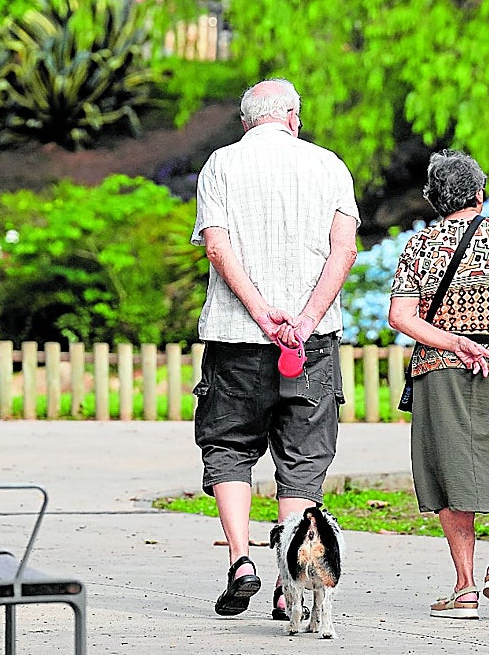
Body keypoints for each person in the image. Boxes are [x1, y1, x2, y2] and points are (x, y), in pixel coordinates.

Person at [190, 78, 360, 620]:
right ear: (293, 117)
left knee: (229, 445)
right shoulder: (330, 166)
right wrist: (305, 319)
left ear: (246, 121)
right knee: (304, 456)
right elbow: (345, 249)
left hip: (237, 338)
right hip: (311, 342)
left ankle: (241, 560)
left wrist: (262, 314)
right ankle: (291, 582)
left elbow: (216, 247)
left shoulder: (220, 164)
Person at [387, 149, 489, 620]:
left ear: (436, 199)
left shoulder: (420, 245)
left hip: (439, 370)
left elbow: (401, 317)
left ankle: (464, 589)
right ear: (479, 193)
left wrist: (453, 342)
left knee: (450, 471)